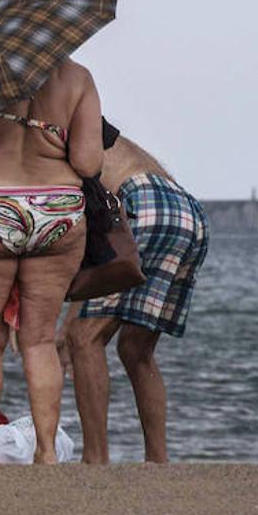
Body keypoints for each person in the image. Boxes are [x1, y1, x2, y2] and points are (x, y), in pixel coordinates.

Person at [0, 57, 103, 464]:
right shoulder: (78, 78)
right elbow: (88, 164)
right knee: (38, 339)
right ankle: (47, 453)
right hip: (57, 206)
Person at [62, 133, 209, 463]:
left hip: (140, 201)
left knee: (83, 338)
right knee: (136, 349)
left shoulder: (56, 135)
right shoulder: (93, 124)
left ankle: (94, 459)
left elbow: (85, 233)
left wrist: (65, 326)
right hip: (187, 210)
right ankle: (158, 462)